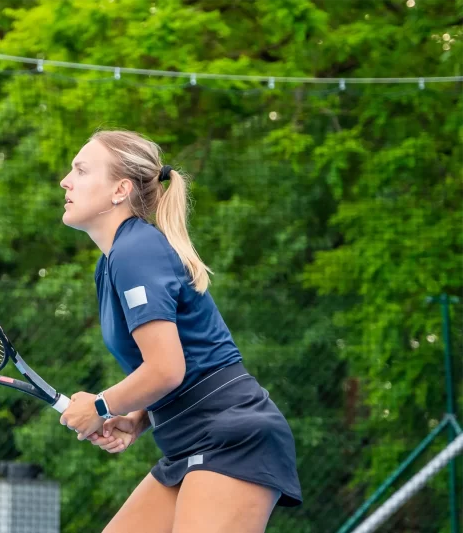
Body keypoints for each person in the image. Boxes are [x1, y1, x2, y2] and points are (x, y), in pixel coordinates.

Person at [56, 130, 303, 533]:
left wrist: (101, 405)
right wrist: (137, 415)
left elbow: (167, 368)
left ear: (120, 190)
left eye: (81, 170)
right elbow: (186, 362)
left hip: (232, 438)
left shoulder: (136, 251)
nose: (65, 180)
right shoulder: (114, 261)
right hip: (189, 440)